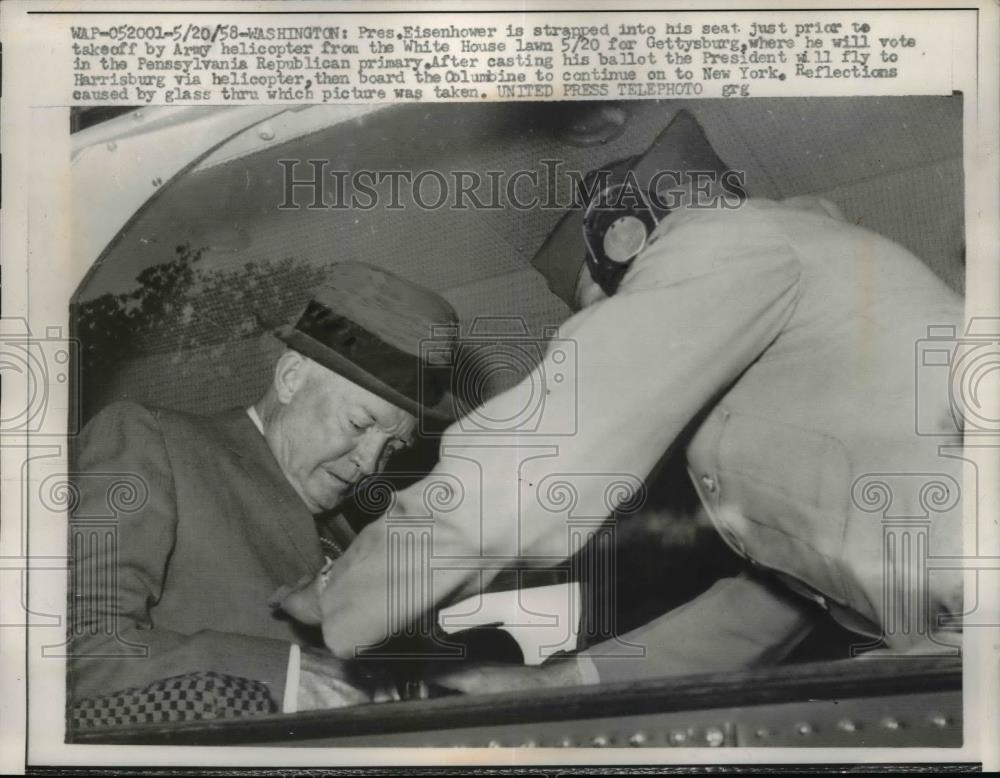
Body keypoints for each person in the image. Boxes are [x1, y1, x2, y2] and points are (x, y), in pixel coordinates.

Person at [277, 110, 965, 691]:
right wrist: (562, 684)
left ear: (626, 241)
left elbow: (540, 467)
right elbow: (781, 600)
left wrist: (348, 593)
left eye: (596, 306)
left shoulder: (728, 239)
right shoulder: (799, 355)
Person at [68, 262, 459, 712]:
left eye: (393, 447)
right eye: (358, 423)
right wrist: (283, 675)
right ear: (291, 378)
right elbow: (77, 646)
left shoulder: (354, 535)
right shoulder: (149, 439)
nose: (370, 464)